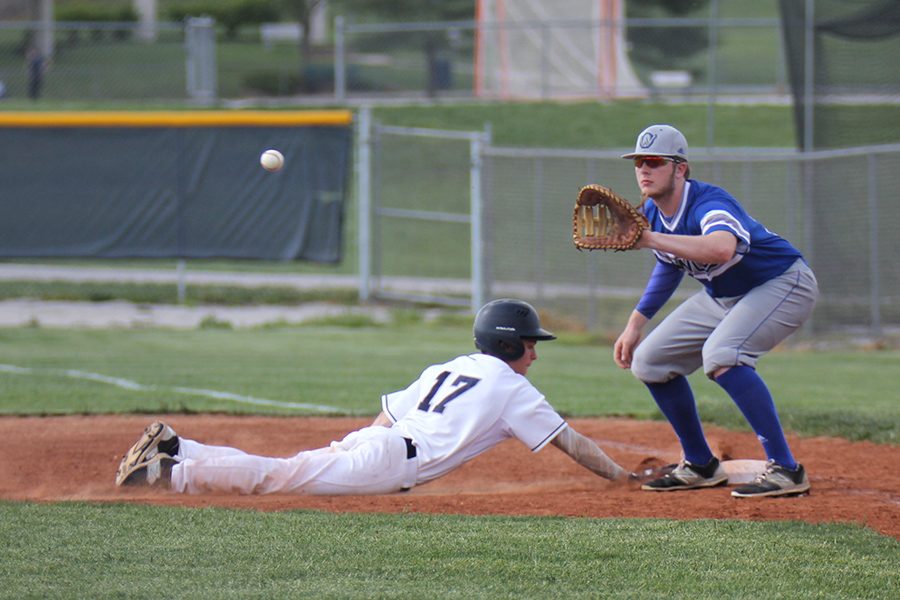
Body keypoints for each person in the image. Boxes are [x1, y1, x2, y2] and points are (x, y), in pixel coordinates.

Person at [116, 298, 634, 494]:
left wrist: (357, 446)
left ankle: (178, 447)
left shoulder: (450, 366)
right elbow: (572, 443)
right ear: (507, 344)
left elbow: (386, 417)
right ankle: (170, 473)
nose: (534, 354)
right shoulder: (513, 389)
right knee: (279, 478)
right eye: (528, 344)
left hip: (378, 441)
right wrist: (624, 478)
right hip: (388, 461)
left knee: (287, 466)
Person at [613, 124, 818, 498]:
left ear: (680, 168)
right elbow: (668, 263)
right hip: (725, 295)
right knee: (650, 362)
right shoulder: (653, 214)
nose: (644, 169)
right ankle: (700, 464)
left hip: (783, 283)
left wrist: (648, 238)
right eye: (639, 162)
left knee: (723, 355)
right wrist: (634, 323)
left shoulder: (708, 203)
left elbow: (721, 248)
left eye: (655, 161)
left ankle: (786, 469)